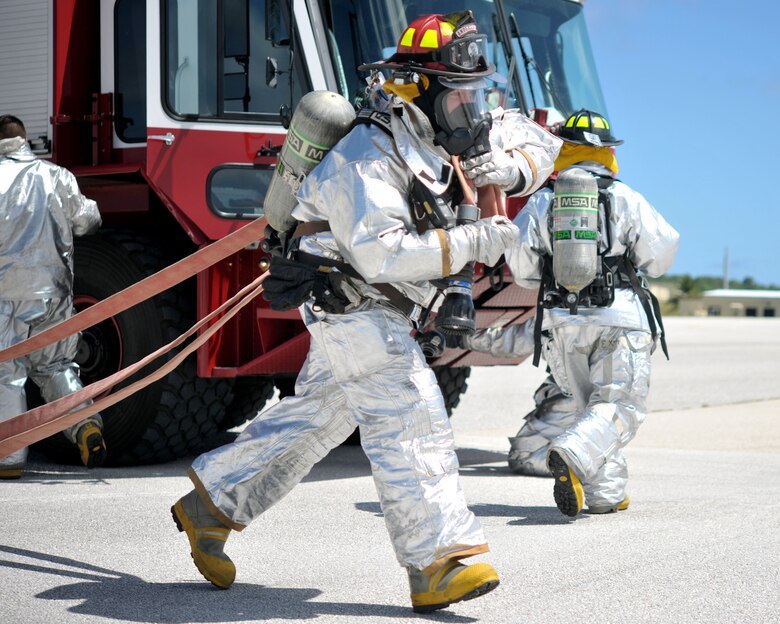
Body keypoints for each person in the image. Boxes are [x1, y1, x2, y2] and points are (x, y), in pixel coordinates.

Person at [170, 11, 560, 613]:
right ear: (417, 90)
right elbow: (382, 255)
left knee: (320, 418)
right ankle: (438, 561)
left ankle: (212, 503)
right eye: (458, 96)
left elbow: (541, 136)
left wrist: (515, 168)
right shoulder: (367, 154)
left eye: (474, 94)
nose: (472, 110)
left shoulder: (445, 127)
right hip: (350, 298)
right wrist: (480, 241)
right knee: (410, 415)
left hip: (384, 306)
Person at [470, 109, 679, 517]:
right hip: (619, 317)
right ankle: (571, 451)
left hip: (560, 324)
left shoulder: (542, 201)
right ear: (606, 153)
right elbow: (661, 254)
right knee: (619, 406)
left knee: (590, 409)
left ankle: (605, 495)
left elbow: (525, 273)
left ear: (561, 150)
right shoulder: (624, 197)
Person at [0, 114, 107, 478]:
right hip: (53, 294)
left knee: (6, 373)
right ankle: (85, 425)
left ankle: (9, 459)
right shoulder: (56, 175)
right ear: (25, 141)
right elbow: (87, 219)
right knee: (56, 367)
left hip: (5, 297)